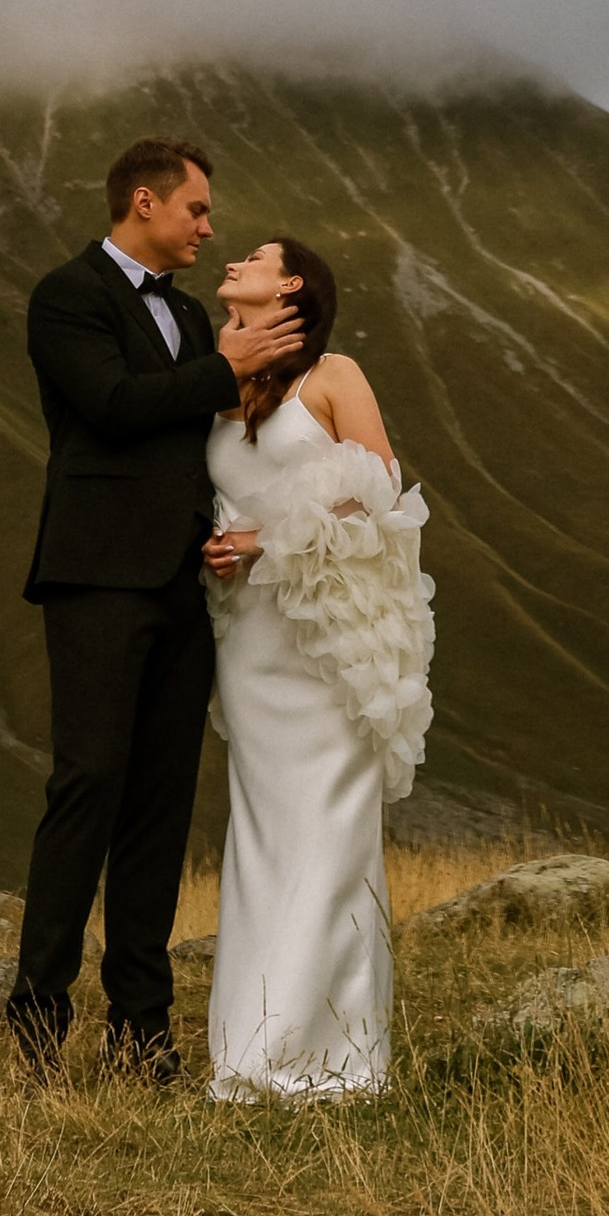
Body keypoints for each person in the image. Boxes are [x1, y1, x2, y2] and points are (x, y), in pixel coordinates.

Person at [7, 138, 296, 1082]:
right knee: (88, 786)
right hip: (95, 576)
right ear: (145, 200)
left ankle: (142, 1031)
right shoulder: (68, 294)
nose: (209, 230)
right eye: (198, 211)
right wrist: (226, 368)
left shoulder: (182, 311)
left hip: (183, 586)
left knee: (161, 809)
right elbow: (114, 403)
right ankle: (38, 1020)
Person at [201, 235, 434, 1099]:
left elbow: (379, 495)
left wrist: (265, 539)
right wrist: (219, 547)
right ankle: (248, 1048)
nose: (232, 259)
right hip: (250, 641)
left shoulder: (333, 374)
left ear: (291, 285)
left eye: (254, 256)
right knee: (260, 833)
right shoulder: (217, 383)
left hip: (327, 642)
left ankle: (326, 1058)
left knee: (329, 828)